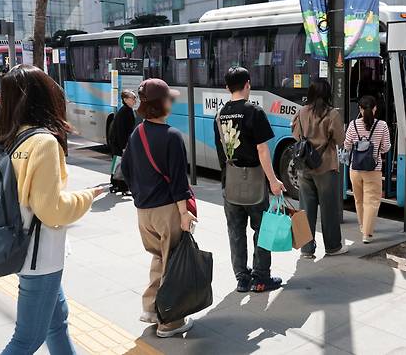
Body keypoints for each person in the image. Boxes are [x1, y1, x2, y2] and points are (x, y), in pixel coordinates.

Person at [0, 64, 105, 354]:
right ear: (45, 96)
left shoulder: (1, 140)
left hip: (13, 245)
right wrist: (88, 196)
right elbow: (52, 211)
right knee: (27, 340)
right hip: (39, 255)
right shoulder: (43, 142)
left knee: (56, 324)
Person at [121, 78, 197, 338]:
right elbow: (178, 182)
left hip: (144, 212)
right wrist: (184, 215)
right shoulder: (171, 136)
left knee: (159, 258)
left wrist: (141, 197)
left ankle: (152, 309)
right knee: (173, 263)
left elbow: (127, 170)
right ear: (161, 104)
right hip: (167, 210)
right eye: (168, 98)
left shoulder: (136, 133)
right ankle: (170, 321)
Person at [213, 66, 284, 293]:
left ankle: (242, 278)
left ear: (227, 87)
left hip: (230, 183)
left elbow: (222, 154)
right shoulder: (254, 111)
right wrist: (273, 181)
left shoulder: (220, 114)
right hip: (254, 182)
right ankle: (261, 278)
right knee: (261, 229)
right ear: (248, 85)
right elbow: (263, 151)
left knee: (235, 231)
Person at [292, 79, 347, 258]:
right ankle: (333, 247)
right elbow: (341, 140)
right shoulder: (332, 115)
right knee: (328, 209)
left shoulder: (301, 112)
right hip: (326, 167)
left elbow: (296, 134)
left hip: (304, 166)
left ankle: (306, 250)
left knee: (305, 209)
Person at [344, 95, 391, 244]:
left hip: (355, 169)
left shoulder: (353, 125)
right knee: (371, 201)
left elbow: (347, 145)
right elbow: (386, 147)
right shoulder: (382, 125)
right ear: (375, 108)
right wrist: (375, 150)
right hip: (373, 170)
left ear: (360, 109)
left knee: (359, 200)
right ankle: (367, 233)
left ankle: (362, 226)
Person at [109, 89, 137, 192]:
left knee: (118, 163)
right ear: (125, 99)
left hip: (118, 142)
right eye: (133, 98)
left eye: (135, 98)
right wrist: (124, 147)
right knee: (121, 164)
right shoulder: (126, 111)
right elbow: (121, 132)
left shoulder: (126, 110)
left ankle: (116, 185)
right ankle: (121, 187)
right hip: (120, 143)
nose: (135, 100)